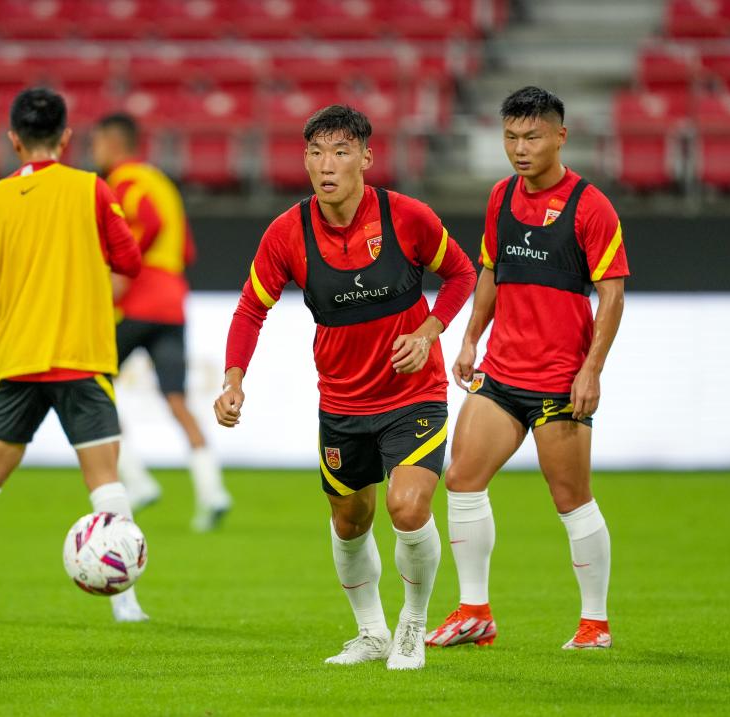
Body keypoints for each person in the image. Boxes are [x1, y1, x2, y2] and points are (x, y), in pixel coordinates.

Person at [214, 105, 475, 669]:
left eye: (339, 152)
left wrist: (429, 332)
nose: (326, 165)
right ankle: (371, 633)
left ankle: (412, 625)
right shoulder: (287, 232)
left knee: (407, 508)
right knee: (349, 521)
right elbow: (251, 309)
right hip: (342, 403)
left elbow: (462, 273)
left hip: (413, 395)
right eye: (315, 153)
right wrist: (233, 379)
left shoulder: (407, 217)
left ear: (366, 157)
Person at [0, 88, 150, 623]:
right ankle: (126, 602)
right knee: (105, 480)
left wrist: (24, 297)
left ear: (14, 139)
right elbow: (130, 260)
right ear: (66, 138)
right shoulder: (91, 190)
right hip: (80, 354)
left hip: (19, 358)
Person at [425, 86, 628, 651]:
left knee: (571, 498)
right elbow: (491, 271)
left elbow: (611, 296)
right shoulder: (501, 196)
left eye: (532, 137)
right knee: (461, 479)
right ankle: (475, 612)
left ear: (560, 136)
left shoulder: (590, 206)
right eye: (511, 137)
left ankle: (594, 624)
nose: (520, 148)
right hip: (501, 373)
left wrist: (591, 370)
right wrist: (470, 340)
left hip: (560, 380)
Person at [91, 113, 232, 532]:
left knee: (93, 382)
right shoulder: (163, 182)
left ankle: (135, 480)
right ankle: (212, 491)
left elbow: (146, 223)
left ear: (113, 143)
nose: (94, 151)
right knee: (176, 398)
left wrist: (122, 271)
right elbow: (185, 249)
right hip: (172, 303)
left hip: (138, 301)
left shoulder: (125, 181)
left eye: (96, 143)